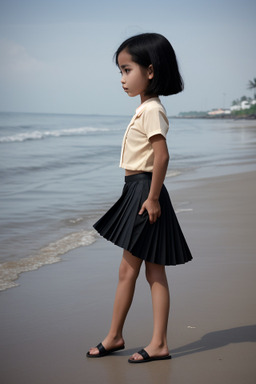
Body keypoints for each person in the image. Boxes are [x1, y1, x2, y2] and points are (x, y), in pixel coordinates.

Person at [86, 33, 192, 364]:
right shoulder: (147, 107)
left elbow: (161, 156)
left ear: (150, 70)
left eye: (126, 70)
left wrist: (153, 198)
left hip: (144, 192)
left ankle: (122, 337)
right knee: (151, 271)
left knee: (132, 271)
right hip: (141, 190)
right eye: (119, 71)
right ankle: (146, 340)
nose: (122, 79)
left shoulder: (151, 110)